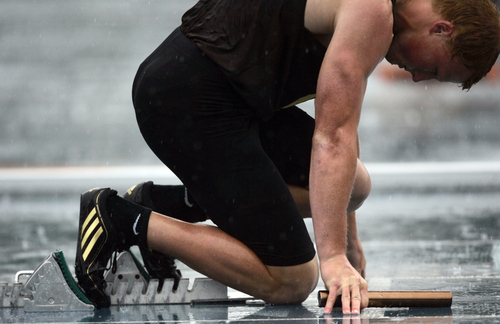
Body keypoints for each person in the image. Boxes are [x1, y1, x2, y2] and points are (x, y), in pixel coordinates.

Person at [74, 0, 500, 314]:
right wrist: (332, 259)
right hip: (186, 98)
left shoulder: (378, 14)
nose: (420, 78)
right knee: (293, 279)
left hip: (236, 99)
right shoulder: (372, 11)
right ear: (442, 29)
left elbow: (339, 125)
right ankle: (117, 217)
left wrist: (349, 245)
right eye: (437, 70)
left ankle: (163, 205)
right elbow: (331, 137)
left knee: (354, 187)